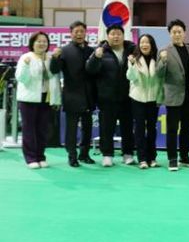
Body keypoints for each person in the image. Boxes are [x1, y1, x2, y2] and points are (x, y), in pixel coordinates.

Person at [86, 25, 136, 167]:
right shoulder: (100, 51)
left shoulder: (131, 50)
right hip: (107, 97)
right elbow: (90, 70)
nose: (116, 36)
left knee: (127, 128)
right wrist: (96, 57)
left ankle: (128, 154)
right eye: (113, 34)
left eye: (119, 34)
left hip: (128, 97)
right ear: (107, 36)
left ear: (123, 35)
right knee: (106, 128)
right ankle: (107, 155)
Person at [49, 21, 96, 167]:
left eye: (82, 31)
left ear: (86, 33)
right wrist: (55, 58)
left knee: (87, 128)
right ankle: (72, 156)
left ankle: (84, 154)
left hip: (88, 96)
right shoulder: (64, 51)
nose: (79, 34)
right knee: (72, 129)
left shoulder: (92, 51)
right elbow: (54, 70)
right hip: (71, 95)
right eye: (76, 31)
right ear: (71, 33)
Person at [16, 31, 62, 168]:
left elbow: (55, 79)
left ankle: (41, 156)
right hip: (28, 99)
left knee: (42, 129)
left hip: (45, 98)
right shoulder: (26, 57)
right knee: (29, 129)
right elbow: (21, 78)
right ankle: (31, 158)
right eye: (39, 41)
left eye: (44, 41)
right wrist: (25, 65)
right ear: (32, 43)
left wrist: (56, 99)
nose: (42, 44)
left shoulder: (50, 58)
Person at [158, 19, 189, 171]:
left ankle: (184, 156)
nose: (177, 34)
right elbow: (159, 74)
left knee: (187, 128)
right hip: (173, 96)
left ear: (184, 33)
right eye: (174, 32)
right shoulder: (164, 51)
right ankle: (172, 159)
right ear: (170, 34)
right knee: (172, 129)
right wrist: (163, 61)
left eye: (179, 32)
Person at [126, 34, 165, 169]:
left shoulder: (157, 59)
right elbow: (131, 77)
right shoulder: (134, 59)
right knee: (140, 129)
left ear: (152, 45)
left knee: (152, 129)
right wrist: (132, 65)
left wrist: (160, 98)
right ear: (139, 45)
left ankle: (152, 158)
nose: (144, 45)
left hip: (153, 99)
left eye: (147, 42)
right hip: (138, 98)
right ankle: (142, 158)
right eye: (142, 42)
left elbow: (161, 80)